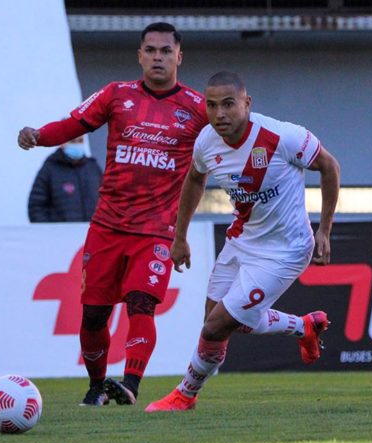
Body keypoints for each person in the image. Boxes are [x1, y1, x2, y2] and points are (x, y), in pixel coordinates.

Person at [18, 22, 208, 406]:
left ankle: (131, 384)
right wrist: (39, 135)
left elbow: (228, 143)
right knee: (93, 317)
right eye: (151, 50)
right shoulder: (116, 95)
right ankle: (96, 386)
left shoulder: (198, 108)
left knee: (142, 304)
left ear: (179, 57)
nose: (158, 57)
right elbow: (73, 123)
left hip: (156, 231)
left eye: (166, 51)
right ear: (139, 55)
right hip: (107, 226)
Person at [145, 71, 341, 412]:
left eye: (228, 105)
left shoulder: (282, 136)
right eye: (211, 105)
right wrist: (179, 237)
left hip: (286, 250)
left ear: (247, 104)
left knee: (216, 326)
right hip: (242, 239)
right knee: (221, 322)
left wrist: (324, 229)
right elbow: (194, 179)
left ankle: (184, 395)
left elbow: (329, 167)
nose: (219, 114)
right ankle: (303, 326)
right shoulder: (206, 141)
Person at [28, 136, 102, 222]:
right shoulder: (50, 169)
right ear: (62, 143)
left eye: (80, 141)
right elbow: (36, 207)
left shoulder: (92, 167)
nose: (77, 144)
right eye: (73, 141)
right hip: (61, 234)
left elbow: (107, 199)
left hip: (92, 232)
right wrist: (49, 231)